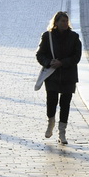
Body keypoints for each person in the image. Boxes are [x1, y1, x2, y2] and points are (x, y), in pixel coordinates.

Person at [36, 11, 82, 145]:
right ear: (56, 22)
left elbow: (76, 57)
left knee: (65, 104)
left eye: (66, 21)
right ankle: (51, 122)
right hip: (52, 75)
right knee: (51, 102)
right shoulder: (47, 36)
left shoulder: (74, 37)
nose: (65, 23)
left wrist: (63, 63)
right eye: (62, 21)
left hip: (69, 76)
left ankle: (62, 132)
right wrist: (49, 62)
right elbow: (40, 55)